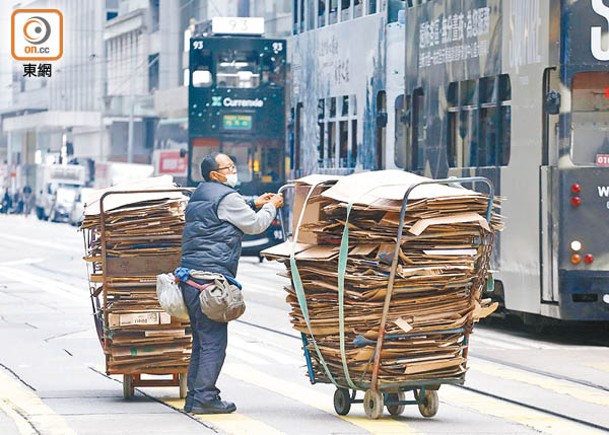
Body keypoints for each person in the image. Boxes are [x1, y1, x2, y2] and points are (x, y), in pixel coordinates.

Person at [179, 152, 284, 415]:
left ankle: (195, 397)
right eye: (229, 167)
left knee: (201, 342)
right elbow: (255, 225)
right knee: (214, 342)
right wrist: (272, 206)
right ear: (215, 174)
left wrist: (253, 201)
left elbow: (223, 211)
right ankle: (205, 398)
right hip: (211, 281)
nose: (234, 170)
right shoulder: (228, 198)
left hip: (189, 278)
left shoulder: (200, 194)